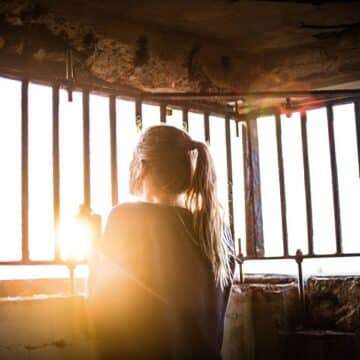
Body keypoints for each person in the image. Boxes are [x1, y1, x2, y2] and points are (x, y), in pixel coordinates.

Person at [89, 125, 235, 360]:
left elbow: (101, 311)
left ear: (142, 167)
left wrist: (93, 248)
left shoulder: (126, 218)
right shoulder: (216, 232)